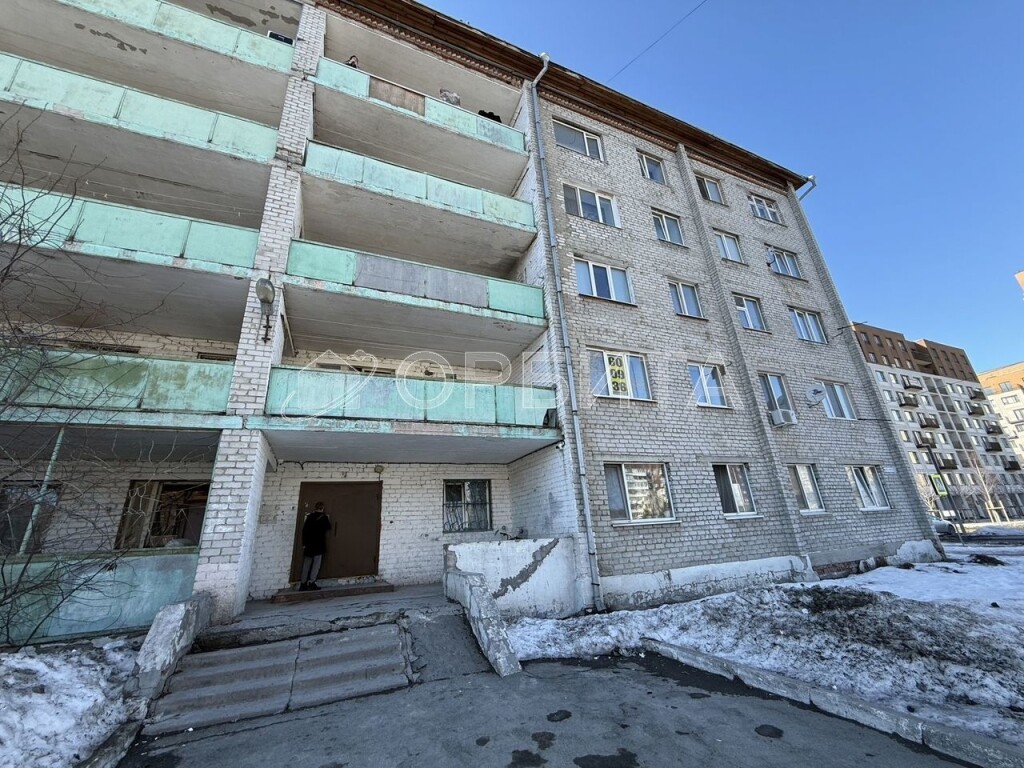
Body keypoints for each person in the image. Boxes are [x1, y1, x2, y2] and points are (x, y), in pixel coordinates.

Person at [299, 501, 332, 591]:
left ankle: (303, 584)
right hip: (319, 544)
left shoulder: (310, 517)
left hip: (309, 544)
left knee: (306, 564)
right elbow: (328, 527)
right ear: (322, 508)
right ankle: (312, 582)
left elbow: (304, 531)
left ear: (315, 507)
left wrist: (304, 544)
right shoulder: (324, 518)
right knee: (316, 565)